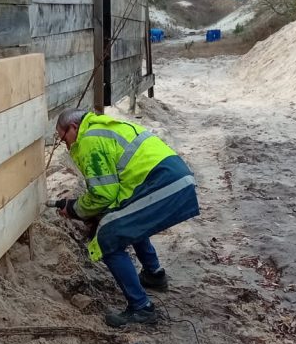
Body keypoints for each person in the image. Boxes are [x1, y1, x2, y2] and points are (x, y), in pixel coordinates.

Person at [52, 109, 199, 327]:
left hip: (163, 181)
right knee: (128, 221)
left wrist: (74, 209)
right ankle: (153, 274)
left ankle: (141, 308)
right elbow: (113, 189)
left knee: (109, 237)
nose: (66, 145)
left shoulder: (89, 141)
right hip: (172, 176)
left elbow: (103, 195)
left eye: (63, 138)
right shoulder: (101, 128)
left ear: (73, 128)